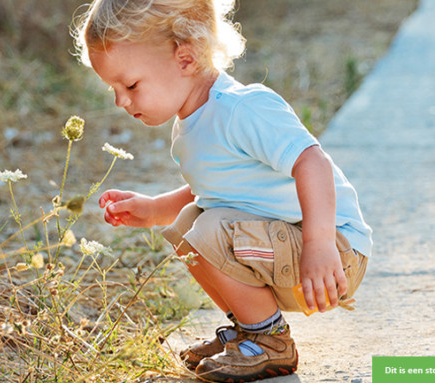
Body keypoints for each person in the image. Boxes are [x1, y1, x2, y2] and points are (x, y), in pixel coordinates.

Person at [73, 0, 372, 381]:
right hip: (284, 244)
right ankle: (250, 332)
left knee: (209, 230)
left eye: (130, 84)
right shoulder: (190, 127)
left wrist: (319, 244)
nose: (120, 100)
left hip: (334, 249)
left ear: (185, 59)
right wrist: (151, 209)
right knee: (186, 226)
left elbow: (313, 163)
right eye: (113, 88)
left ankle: (270, 341)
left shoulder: (240, 108)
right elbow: (211, 192)